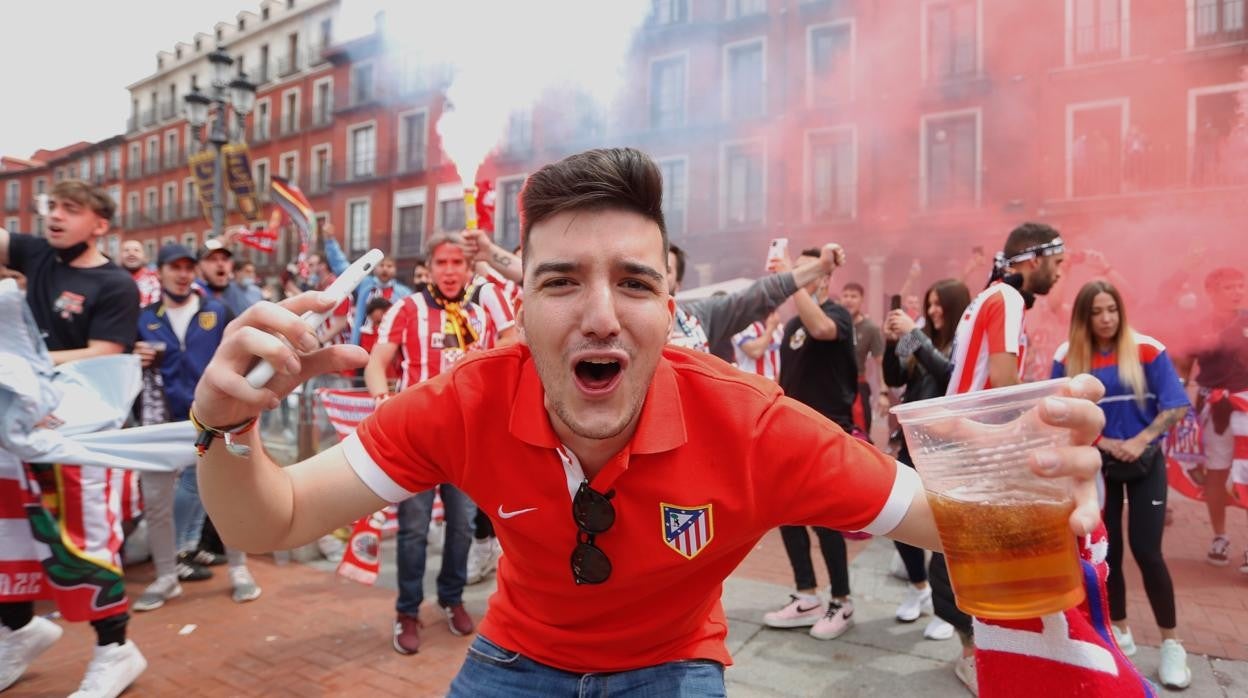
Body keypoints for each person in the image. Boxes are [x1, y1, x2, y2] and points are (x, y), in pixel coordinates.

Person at [189, 148, 1107, 696]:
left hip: (673, 667)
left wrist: (1028, 485)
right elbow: (268, 520)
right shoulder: (466, 398)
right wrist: (228, 428)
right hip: (514, 658)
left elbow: (948, 520)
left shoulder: (751, 425)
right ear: (521, 312)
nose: (599, 315)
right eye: (560, 281)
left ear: (673, 308)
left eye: (632, 282)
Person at [0, 181, 146, 697]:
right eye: (52, 207)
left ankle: (116, 649)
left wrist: (22, 367)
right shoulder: (37, 253)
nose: (54, 217)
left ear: (99, 225)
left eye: (70, 209)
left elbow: (104, 353)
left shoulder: (116, 285)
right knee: (12, 537)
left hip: (80, 437)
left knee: (85, 543)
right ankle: (18, 631)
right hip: (19, 430)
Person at [1052, 280, 1192, 690]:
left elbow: (1176, 405)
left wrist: (1140, 441)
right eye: (1096, 311)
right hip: (1097, 465)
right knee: (1104, 552)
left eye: (1111, 309)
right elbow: (1059, 415)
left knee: (1149, 552)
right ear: (1084, 316)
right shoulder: (1067, 356)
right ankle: (1120, 632)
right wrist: (1107, 442)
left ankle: (1172, 643)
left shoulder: (1147, 348)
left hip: (1146, 461)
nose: (1106, 318)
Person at [365, 232, 497, 654]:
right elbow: (376, 363)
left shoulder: (480, 314)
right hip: (417, 442)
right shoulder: (407, 309)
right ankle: (407, 610)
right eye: (442, 262)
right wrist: (384, 403)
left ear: (469, 268)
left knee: (460, 527)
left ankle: (452, 598)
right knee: (414, 531)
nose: (451, 270)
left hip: (465, 444)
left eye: (458, 262)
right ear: (429, 268)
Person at [131, 244, 262, 609]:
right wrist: (133, 357)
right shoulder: (142, 317)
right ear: (160, 271)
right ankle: (166, 576)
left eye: (189, 267)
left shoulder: (217, 312)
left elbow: (245, 357)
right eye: (175, 267)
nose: (183, 273)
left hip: (212, 418)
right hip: (159, 423)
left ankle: (239, 568)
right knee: (156, 503)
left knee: (226, 494)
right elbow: (121, 362)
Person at [762, 248, 863, 641]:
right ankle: (807, 596)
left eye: (808, 271)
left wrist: (791, 277)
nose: (800, 277)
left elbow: (821, 328)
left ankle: (842, 600)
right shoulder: (791, 328)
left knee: (826, 521)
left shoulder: (836, 315)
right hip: (791, 432)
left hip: (827, 431)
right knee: (787, 516)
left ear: (823, 277)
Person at [882, 280, 972, 627]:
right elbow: (894, 376)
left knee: (942, 529)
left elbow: (950, 377)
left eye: (939, 305)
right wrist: (893, 342)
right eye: (930, 304)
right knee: (897, 516)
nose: (933, 311)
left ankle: (944, 606)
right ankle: (918, 586)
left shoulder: (963, 343)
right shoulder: (918, 336)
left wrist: (915, 337)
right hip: (912, 442)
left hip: (946, 448)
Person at [1187, 267, 1248, 569]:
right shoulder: (1198, 325)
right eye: (1229, 287)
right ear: (1211, 292)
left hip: (1246, 403)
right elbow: (1184, 366)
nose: (1237, 291)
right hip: (1213, 405)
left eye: (1240, 285)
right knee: (1216, 471)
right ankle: (1219, 536)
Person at [323, 223, 414, 346]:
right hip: (363, 345)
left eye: (389, 266)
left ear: (395, 270)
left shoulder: (404, 293)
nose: (385, 269)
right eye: (381, 265)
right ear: (374, 268)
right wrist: (330, 241)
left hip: (390, 347)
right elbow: (343, 268)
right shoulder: (366, 284)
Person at [841, 281, 884, 437]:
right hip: (834, 388)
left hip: (858, 386)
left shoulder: (870, 328)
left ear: (861, 300)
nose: (849, 300)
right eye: (845, 296)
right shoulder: (833, 324)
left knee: (860, 436)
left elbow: (880, 362)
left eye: (854, 296)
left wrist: (884, 393)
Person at [731, 311, 782, 379]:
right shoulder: (741, 325)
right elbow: (755, 352)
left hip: (773, 385)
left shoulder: (778, 327)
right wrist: (770, 328)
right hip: (749, 382)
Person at [119, 239, 161, 307]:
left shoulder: (157, 279)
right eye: (126, 250)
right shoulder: (111, 281)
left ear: (144, 255)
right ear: (120, 255)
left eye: (136, 250)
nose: (131, 253)